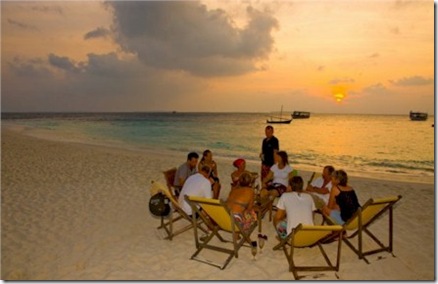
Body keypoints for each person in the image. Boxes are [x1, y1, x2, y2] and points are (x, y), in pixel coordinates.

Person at [226, 171, 257, 239]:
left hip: (225, 216)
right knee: (251, 213)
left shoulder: (233, 190)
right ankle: (245, 235)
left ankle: (237, 234)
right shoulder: (251, 191)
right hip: (235, 220)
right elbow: (249, 208)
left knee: (238, 210)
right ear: (250, 182)